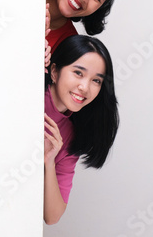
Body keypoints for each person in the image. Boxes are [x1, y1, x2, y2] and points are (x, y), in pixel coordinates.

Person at [43, 35, 119, 225]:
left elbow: (52, 216)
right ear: (54, 71)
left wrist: (49, 162)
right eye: (78, 73)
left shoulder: (69, 137)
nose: (85, 87)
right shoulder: (26, 92)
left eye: (96, 81)